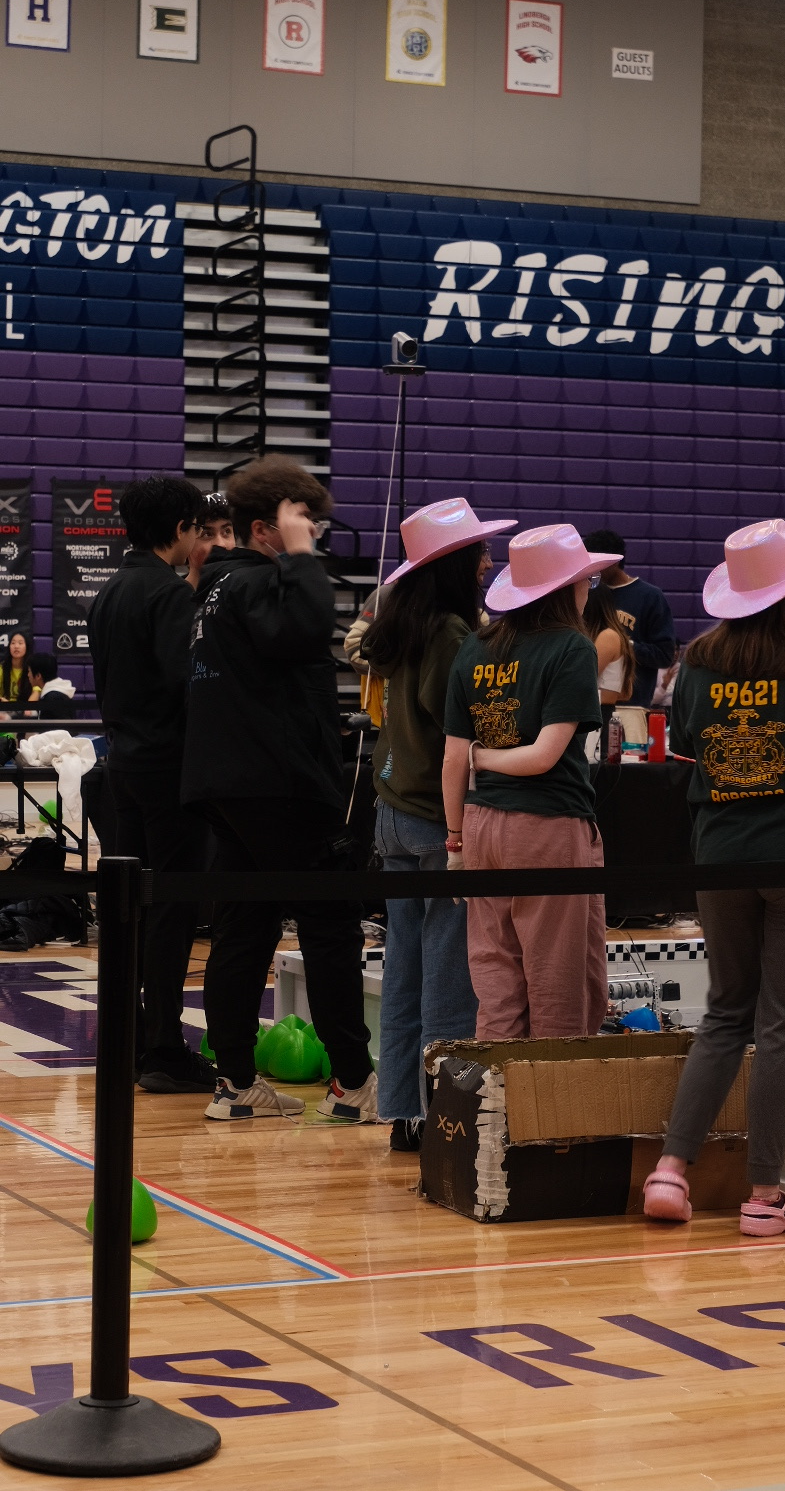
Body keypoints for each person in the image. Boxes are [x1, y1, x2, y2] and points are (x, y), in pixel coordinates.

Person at [641, 519, 785, 1236]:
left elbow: (687, 750)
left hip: (720, 852)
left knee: (723, 1014)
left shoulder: (698, 662)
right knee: (782, 1027)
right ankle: (764, 1196)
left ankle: (671, 1171)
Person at [182, 457, 377, 1123]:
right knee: (328, 922)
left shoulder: (217, 585)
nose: (313, 538)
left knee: (246, 925)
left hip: (233, 783)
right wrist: (302, 560)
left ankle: (235, 1082)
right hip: (276, 783)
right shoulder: (259, 580)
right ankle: (354, 1080)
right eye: (302, 525)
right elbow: (302, 631)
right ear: (266, 529)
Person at [361, 497, 515, 1153]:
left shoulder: (396, 622)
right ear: (454, 563)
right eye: (478, 550)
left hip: (391, 812)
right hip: (434, 819)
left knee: (402, 974)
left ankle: (401, 1110)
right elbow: (460, 732)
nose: (488, 560)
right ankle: (437, 1113)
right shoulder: (452, 635)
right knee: (448, 977)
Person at [442, 524, 618, 1040]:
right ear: (567, 587)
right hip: (547, 827)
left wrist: (455, 840)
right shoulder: (572, 648)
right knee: (559, 983)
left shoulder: (474, 647)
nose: (590, 587)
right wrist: (487, 757)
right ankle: (557, 1118)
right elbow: (543, 757)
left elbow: (453, 758)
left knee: (496, 980)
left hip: (478, 827)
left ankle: (499, 1114)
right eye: (585, 577)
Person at [87, 474, 215, 1093]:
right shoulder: (166, 595)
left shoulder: (111, 589)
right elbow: (184, 684)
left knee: (135, 909)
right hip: (168, 771)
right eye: (196, 526)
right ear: (180, 531)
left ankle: (137, 1039)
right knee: (170, 906)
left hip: (124, 767)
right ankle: (165, 1048)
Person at [582, 529, 675, 707]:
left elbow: (664, 655)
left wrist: (623, 646)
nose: (591, 569)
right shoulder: (586, 592)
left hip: (631, 705)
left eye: (597, 563)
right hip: (588, 704)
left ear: (614, 562)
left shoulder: (650, 596)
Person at [583, 579, 636, 706]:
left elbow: (582, 679)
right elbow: (626, 692)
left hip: (600, 712)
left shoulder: (608, 636)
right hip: (598, 711)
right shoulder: (611, 635)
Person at [185, 491, 236, 590]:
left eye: (226, 532)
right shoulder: (172, 597)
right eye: (207, 534)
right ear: (187, 540)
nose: (221, 544)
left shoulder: (248, 591)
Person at [26, 655, 77, 722]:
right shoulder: (54, 695)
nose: (28, 675)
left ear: (38, 676)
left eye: (29, 671)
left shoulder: (53, 698)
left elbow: (62, 730)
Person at [0, 632, 33, 716]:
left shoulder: (32, 669)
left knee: (32, 713)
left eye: (20, 643)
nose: (16, 646)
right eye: (13, 643)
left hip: (25, 708)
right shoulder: (2, 668)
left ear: (27, 647)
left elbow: (36, 691)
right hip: (4, 708)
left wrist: (28, 708)